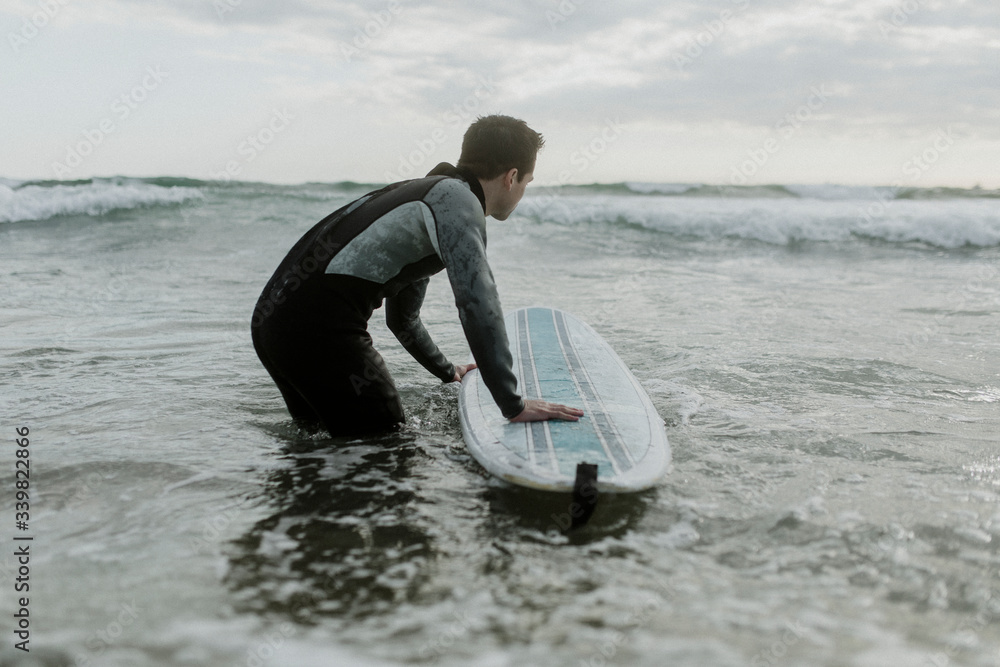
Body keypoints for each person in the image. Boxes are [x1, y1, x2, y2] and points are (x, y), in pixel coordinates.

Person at [251, 114, 584, 436]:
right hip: (319, 331)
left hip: (274, 324)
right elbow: (478, 302)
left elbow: (403, 318)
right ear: (511, 177)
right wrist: (513, 404)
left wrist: (446, 369)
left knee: (320, 448)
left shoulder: (428, 195)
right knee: (385, 447)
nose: (523, 191)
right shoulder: (457, 202)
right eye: (527, 182)